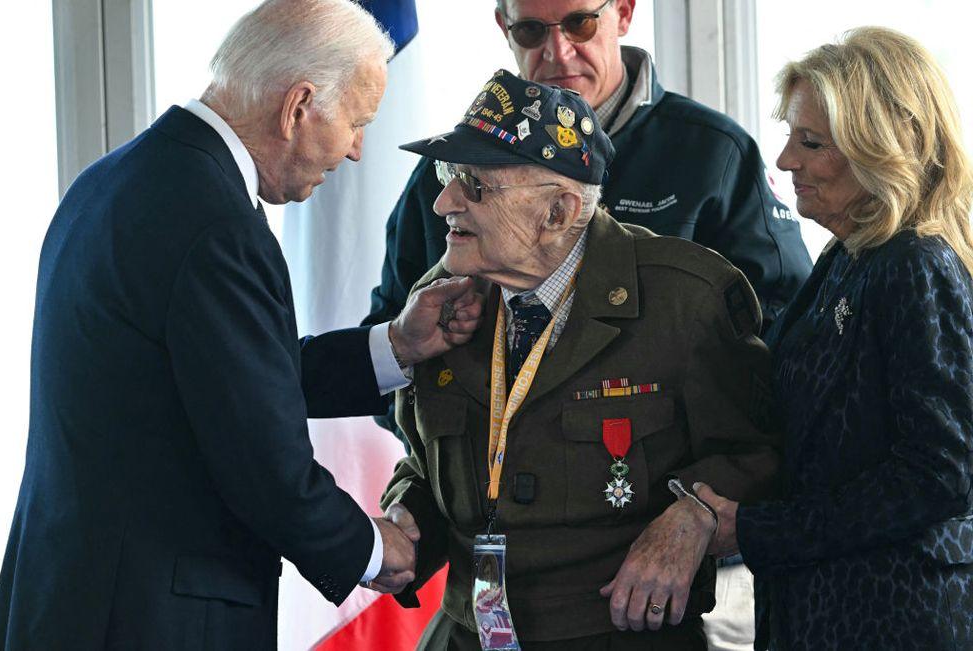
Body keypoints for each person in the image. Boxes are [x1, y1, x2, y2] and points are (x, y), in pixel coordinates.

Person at [0, 1, 484, 649]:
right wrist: (373, 550)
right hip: (150, 619)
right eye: (357, 121)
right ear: (298, 106)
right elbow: (265, 465)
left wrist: (396, 345)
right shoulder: (217, 224)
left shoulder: (117, 180)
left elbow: (228, 379)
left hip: (69, 596)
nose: (358, 150)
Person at [376, 70, 782, 650]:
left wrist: (697, 514)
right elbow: (423, 457)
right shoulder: (440, 296)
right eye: (448, 175)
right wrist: (407, 513)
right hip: (467, 635)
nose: (443, 201)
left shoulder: (683, 299)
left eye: (473, 183)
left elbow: (760, 453)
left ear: (560, 211)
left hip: (614, 634)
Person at [692, 27, 973, 650]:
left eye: (811, 142)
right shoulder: (851, 255)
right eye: (791, 136)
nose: (786, 160)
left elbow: (940, 475)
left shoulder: (916, 265)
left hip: (895, 618)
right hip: (830, 608)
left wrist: (759, 530)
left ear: (887, 146)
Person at [365, 0, 812, 337]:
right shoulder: (451, 171)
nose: (558, 52)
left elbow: (782, 324)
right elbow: (395, 342)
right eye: (531, 30)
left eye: (580, 23)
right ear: (504, 27)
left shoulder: (714, 152)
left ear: (623, 11)